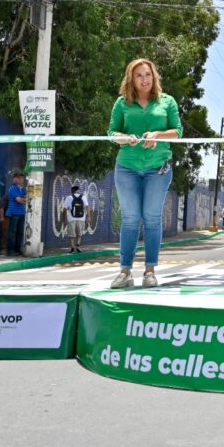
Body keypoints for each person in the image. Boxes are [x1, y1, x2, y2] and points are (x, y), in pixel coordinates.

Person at [107, 58, 183, 289]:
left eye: (147, 74)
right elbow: (112, 132)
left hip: (157, 168)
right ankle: (125, 271)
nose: (144, 79)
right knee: (130, 219)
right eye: (139, 75)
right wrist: (124, 138)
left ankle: (150, 271)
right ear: (131, 79)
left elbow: (178, 131)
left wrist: (157, 135)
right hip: (127, 168)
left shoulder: (167, 102)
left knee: (151, 218)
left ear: (154, 76)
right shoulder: (122, 103)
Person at [5, 173, 27, 255]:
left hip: (21, 212)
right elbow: (19, 200)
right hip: (14, 212)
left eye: (22, 178)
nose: (21, 180)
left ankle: (18, 249)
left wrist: (23, 199)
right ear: (15, 179)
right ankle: (10, 250)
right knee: (12, 232)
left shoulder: (22, 189)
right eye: (19, 178)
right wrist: (23, 199)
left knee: (20, 232)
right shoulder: (13, 188)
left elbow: (27, 198)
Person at [63, 185, 89, 253]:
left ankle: (72, 248)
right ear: (78, 190)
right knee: (79, 233)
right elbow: (87, 207)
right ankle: (78, 245)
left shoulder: (69, 197)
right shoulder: (83, 197)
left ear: (72, 191)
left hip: (71, 218)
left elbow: (64, 209)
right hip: (81, 218)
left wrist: (64, 218)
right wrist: (88, 217)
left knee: (71, 234)